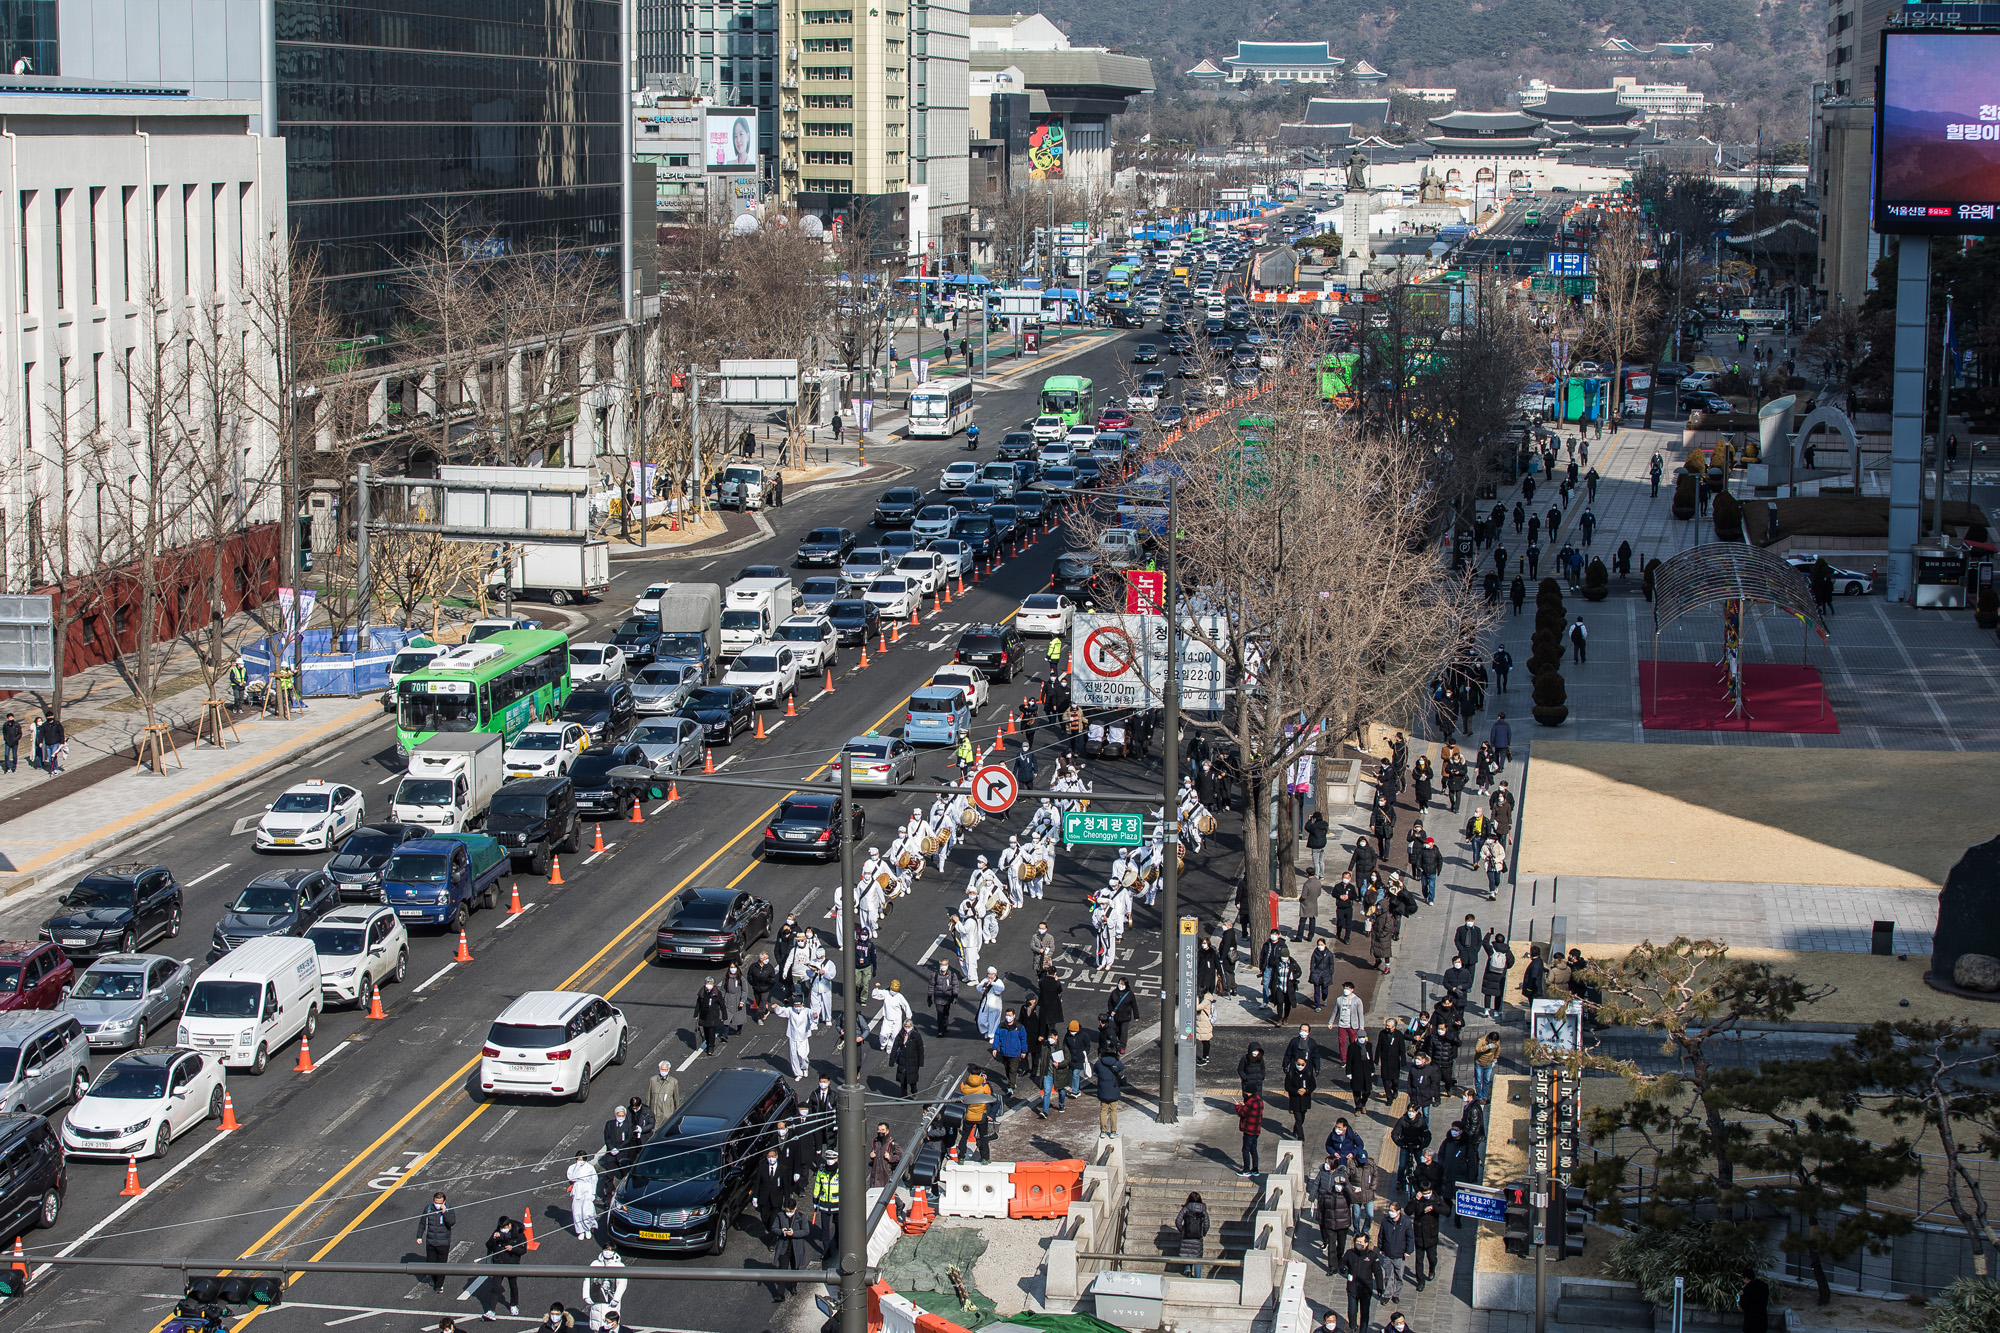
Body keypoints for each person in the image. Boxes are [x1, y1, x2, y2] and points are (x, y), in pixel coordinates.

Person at [770, 1196, 812, 1303]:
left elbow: (806, 1231)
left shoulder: (801, 1217)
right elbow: (774, 1228)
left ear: (795, 1208)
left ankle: (793, 1286)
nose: (788, 1213)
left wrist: (794, 1233)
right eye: (786, 1211)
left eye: (790, 1211)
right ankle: (780, 1293)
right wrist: (781, 1231)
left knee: (795, 1267)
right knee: (782, 1269)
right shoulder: (780, 1216)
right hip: (784, 1247)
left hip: (796, 1247)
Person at [484, 1216, 525, 1318]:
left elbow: (523, 1250)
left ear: (510, 1225)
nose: (502, 1229)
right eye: (501, 1227)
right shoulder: (497, 1232)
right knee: (495, 1288)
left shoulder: (519, 1235)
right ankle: (491, 1310)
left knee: (513, 1286)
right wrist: (494, 1239)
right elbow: (489, 1246)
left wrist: (513, 1249)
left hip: (512, 1264)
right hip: (499, 1263)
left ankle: (514, 1305)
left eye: (505, 1227)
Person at [1342, 1233, 1382, 1333]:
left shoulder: (1372, 1256)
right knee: (1352, 1311)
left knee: (1364, 1313)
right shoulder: (1350, 1253)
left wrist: (1380, 1287)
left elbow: (1378, 1272)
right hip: (1352, 1288)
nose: (1358, 1244)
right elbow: (1342, 1263)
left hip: (1366, 1289)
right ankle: (1353, 1326)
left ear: (1366, 1243)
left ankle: (1363, 1330)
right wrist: (1343, 1269)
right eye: (1357, 1242)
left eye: (1361, 1242)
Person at [417, 1191, 456, 1292]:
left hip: (443, 1243)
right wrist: (419, 1236)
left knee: (441, 1264)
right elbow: (422, 1223)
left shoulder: (449, 1209)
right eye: (436, 1202)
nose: (437, 1204)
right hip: (431, 1241)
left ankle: (439, 1285)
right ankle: (434, 1279)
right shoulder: (428, 1209)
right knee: (431, 1263)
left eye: (440, 1203)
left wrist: (445, 1212)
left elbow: (451, 1223)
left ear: (444, 1202)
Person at [1377, 1201, 1413, 1303]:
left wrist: (1408, 1251)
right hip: (1387, 1254)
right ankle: (1387, 1294)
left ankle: (1396, 1294)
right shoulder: (1385, 1221)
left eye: (1392, 1211)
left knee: (1398, 1276)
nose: (1390, 1213)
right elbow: (1381, 1235)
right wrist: (1380, 1248)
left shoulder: (1406, 1222)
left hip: (1399, 1255)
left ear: (1398, 1211)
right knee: (1388, 1275)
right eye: (1389, 1210)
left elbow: (1410, 1237)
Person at [583, 1247, 626, 1331]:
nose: (607, 1253)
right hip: (596, 1302)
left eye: (610, 1250)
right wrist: (586, 1296)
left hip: (611, 1303)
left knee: (611, 1325)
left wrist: (616, 1299)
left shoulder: (619, 1266)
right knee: (596, 1324)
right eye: (606, 1250)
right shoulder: (595, 1264)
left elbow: (622, 1284)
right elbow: (587, 1280)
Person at [958, 1068, 995, 1162]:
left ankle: (961, 1157)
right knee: (983, 1137)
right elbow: (990, 1095)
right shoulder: (984, 1086)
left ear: (970, 1074)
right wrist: (985, 1081)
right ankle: (985, 1158)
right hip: (981, 1115)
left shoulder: (964, 1085)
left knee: (964, 1137)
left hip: (969, 1115)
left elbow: (962, 1092)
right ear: (980, 1074)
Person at [1174, 1191, 1210, 1278]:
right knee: (1197, 1258)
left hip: (1187, 1235)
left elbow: (1178, 1221)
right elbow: (1207, 1224)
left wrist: (1183, 1230)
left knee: (1187, 1253)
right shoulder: (1203, 1210)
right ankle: (1198, 1278)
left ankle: (1187, 1270)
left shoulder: (1186, 1209)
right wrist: (1203, 1233)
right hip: (1197, 1238)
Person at [566, 1153, 599, 1241]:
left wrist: (593, 1193)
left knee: (586, 1211)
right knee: (577, 1211)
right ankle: (580, 1230)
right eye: (578, 1159)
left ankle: (587, 1228)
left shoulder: (590, 1168)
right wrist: (577, 1168)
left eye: (581, 1160)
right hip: (578, 1189)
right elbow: (571, 1177)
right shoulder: (572, 1167)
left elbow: (594, 1180)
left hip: (587, 1189)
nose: (579, 1161)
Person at [891, 1018, 925, 1097]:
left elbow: (920, 1049)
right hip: (902, 1061)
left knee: (912, 1080)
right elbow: (895, 1047)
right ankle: (904, 1096)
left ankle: (914, 1092)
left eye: (909, 1026)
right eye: (905, 1026)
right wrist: (891, 1061)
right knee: (903, 1081)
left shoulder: (916, 1036)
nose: (907, 1028)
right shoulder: (900, 1035)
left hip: (913, 1062)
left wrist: (921, 1062)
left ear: (912, 1026)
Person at [1331, 982, 1365, 1060]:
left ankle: (1354, 1056)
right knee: (1341, 1042)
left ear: (1352, 990)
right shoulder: (1339, 999)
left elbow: (1360, 1014)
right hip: (1342, 1025)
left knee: (1353, 1042)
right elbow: (1335, 1011)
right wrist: (1331, 1022)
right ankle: (1344, 1059)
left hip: (1352, 1025)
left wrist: (1361, 1026)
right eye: (1345, 988)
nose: (1346, 990)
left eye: (1348, 988)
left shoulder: (1357, 1000)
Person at [1095, 1051, 1125, 1137]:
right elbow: (1122, 1071)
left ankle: (1103, 1131)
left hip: (1102, 1089)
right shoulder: (1117, 1063)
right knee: (1113, 1111)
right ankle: (1113, 1131)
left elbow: (1096, 1072)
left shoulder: (1099, 1063)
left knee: (1103, 1110)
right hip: (1113, 1089)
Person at [695, 977, 728, 1054]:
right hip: (704, 1015)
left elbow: (722, 1005)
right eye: (707, 983)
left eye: (710, 983)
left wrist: (724, 1016)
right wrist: (696, 1014)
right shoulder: (702, 992)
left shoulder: (716, 993)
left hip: (713, 1016)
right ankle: (707, 1043)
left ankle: (711, 1046)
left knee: (711, 1031)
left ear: (713, 985)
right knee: (706, 1031)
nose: (708, 985)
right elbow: (698, 1004)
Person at [1236, 1088, 1266, 1175]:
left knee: (1245, 1150)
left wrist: (1237, 1106)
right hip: (1256, 1130)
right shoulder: (1259, 1100)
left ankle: (1246, 1170)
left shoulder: (1250, 1101)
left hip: (1249, 1129)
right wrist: (1244, 1106)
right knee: (1253, 1150)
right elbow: (1251, 1110)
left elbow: (1243, 1113)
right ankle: (1255, 1169)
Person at [927, 959, 958, 1037]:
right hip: (938, 998)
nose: (943, 966)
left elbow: (955, 986)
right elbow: (931, 986)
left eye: (945, 964)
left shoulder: (952, 975)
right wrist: (929, 997)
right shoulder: (935, 975)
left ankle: (945, 1025)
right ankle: (940, 1030)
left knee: (946, 1013)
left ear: (948, 965)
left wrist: (955, 996)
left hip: (948, 998)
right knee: (940, 1013)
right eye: (942, 964)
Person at [646, 1061, 681, 1126]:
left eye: (665, 1069)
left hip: (666, 1114)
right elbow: (648, 1097)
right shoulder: (653, 1080)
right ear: (659, 1069)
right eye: (662, 1069)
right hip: (654, 1113)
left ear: (668, 1070)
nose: (663, 1071)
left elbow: (676, 1100)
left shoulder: (673, 1082)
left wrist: (677, 1114)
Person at [1739, 1268, 1771, 1333]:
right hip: (1762, 1320)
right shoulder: (1764, 1285)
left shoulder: (1746, 1289)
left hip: (1751, 1322)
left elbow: (1744, 1306)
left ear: (1746, 1278)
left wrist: (1741, 1297)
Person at [1304, 809, 1329, 878]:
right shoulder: (1325, 824)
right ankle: (1322, 875)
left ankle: (1316, 875)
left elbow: (1307, 827)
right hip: (1322, 844)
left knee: (1316, 862)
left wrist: (1309, 820)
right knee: (1321, 861)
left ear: (1315, 818)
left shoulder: (1314, 826)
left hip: (1315, 845)